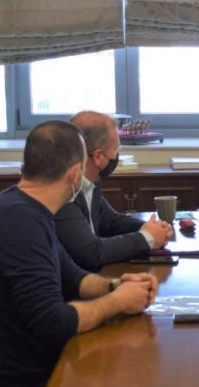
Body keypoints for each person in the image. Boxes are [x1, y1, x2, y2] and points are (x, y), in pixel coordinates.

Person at [0, 120, 160, 387]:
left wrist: (116, 286)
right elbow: (53, 321)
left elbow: (72, 277)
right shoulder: (20, 222)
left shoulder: (25, 205)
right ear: (75, 174)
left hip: (33, 373)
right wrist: (116, 302)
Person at [54, 111, 173, 271]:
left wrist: (153, 228)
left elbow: (111, 221)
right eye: (116, 149)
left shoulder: (92, 181)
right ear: (98, 156)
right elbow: (91, 252)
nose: (117, 155)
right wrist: (146, 237)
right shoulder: (63, 191)